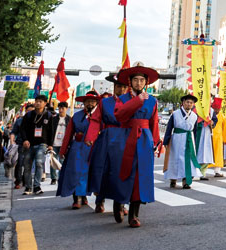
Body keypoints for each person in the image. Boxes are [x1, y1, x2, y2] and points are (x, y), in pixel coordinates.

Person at [84, 65, 161, 228]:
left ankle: (134, 214)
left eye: (142, 80)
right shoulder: (122, 100)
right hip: (125, 138)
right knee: (123, 173)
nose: (139, 83)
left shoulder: (153, 100)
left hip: (144, 139)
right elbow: (120, 115)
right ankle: (119, 202)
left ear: (146, 83)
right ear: (130, 82)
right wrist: (137, 101)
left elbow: (154, 122)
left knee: (141, 177)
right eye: (135, 80)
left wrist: (156, 142)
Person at [87, 74, 129, 216]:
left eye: (124, 87)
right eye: (119, 86)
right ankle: (100, 200)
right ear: (114, 87)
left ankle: (122, 203)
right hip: (107, 137)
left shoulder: (132, 102)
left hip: (125, 138)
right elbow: (96, 120)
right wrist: (91, 136)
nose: (122, 90)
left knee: (122, 172)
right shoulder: (105, 103)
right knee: (103, 170)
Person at [57, 91, 99, 209]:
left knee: (89, 173)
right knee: (75, 172)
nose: (90, 104)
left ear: (96, 103)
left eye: (92, 101)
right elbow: (69, 133)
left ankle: (84, 196)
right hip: (78, 148)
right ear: (84, 103)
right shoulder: (77, 116)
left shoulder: (99, 117)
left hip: (93, 148)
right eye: (87, 101)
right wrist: (63, 150)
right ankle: (77, 199)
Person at [162, 93, 201, 189]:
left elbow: (195, 131)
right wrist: (166, 141)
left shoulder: (195, 116)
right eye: (187, 102)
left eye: (191, 103)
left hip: (189, 139)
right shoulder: (175, 114)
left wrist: (196, 143)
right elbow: (169, 128)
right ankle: (173, 180)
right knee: (174, 159)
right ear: (183, 103)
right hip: (177, 139)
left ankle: (186, 181)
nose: (189, 104)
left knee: (189, 160)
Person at [20, 95, 56, 195]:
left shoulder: (48, 116)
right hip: (29, 144)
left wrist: (50, 144)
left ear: (45, 103)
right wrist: (25, 140)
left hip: (42, 144)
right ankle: (28, 187)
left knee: (39, 163)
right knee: (27, 166)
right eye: (37, 101)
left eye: (40, 101)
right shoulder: (28, 115)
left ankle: (37, 186)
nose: (38, 103)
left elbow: (51, 131)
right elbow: (22, 129)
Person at [48, 101, 71, 186]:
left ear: (66, 109)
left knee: (62, 161)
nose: (61, 110)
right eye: (60, 108)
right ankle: (53, 178)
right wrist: (49, 144)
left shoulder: (69, 119)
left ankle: (61, 177)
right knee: (52, 162)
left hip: (63, 144)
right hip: (53, 144)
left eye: (63, 108)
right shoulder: (54, 119)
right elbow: (49, 131)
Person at [194, 98, 217, 179]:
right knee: (197, 152)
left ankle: (203, 172)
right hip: (198, 133)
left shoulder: (211, 110)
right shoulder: (196, 109)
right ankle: (195, 172)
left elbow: (215, 120)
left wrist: (212, 123)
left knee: (207, 153)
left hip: (207, 133)